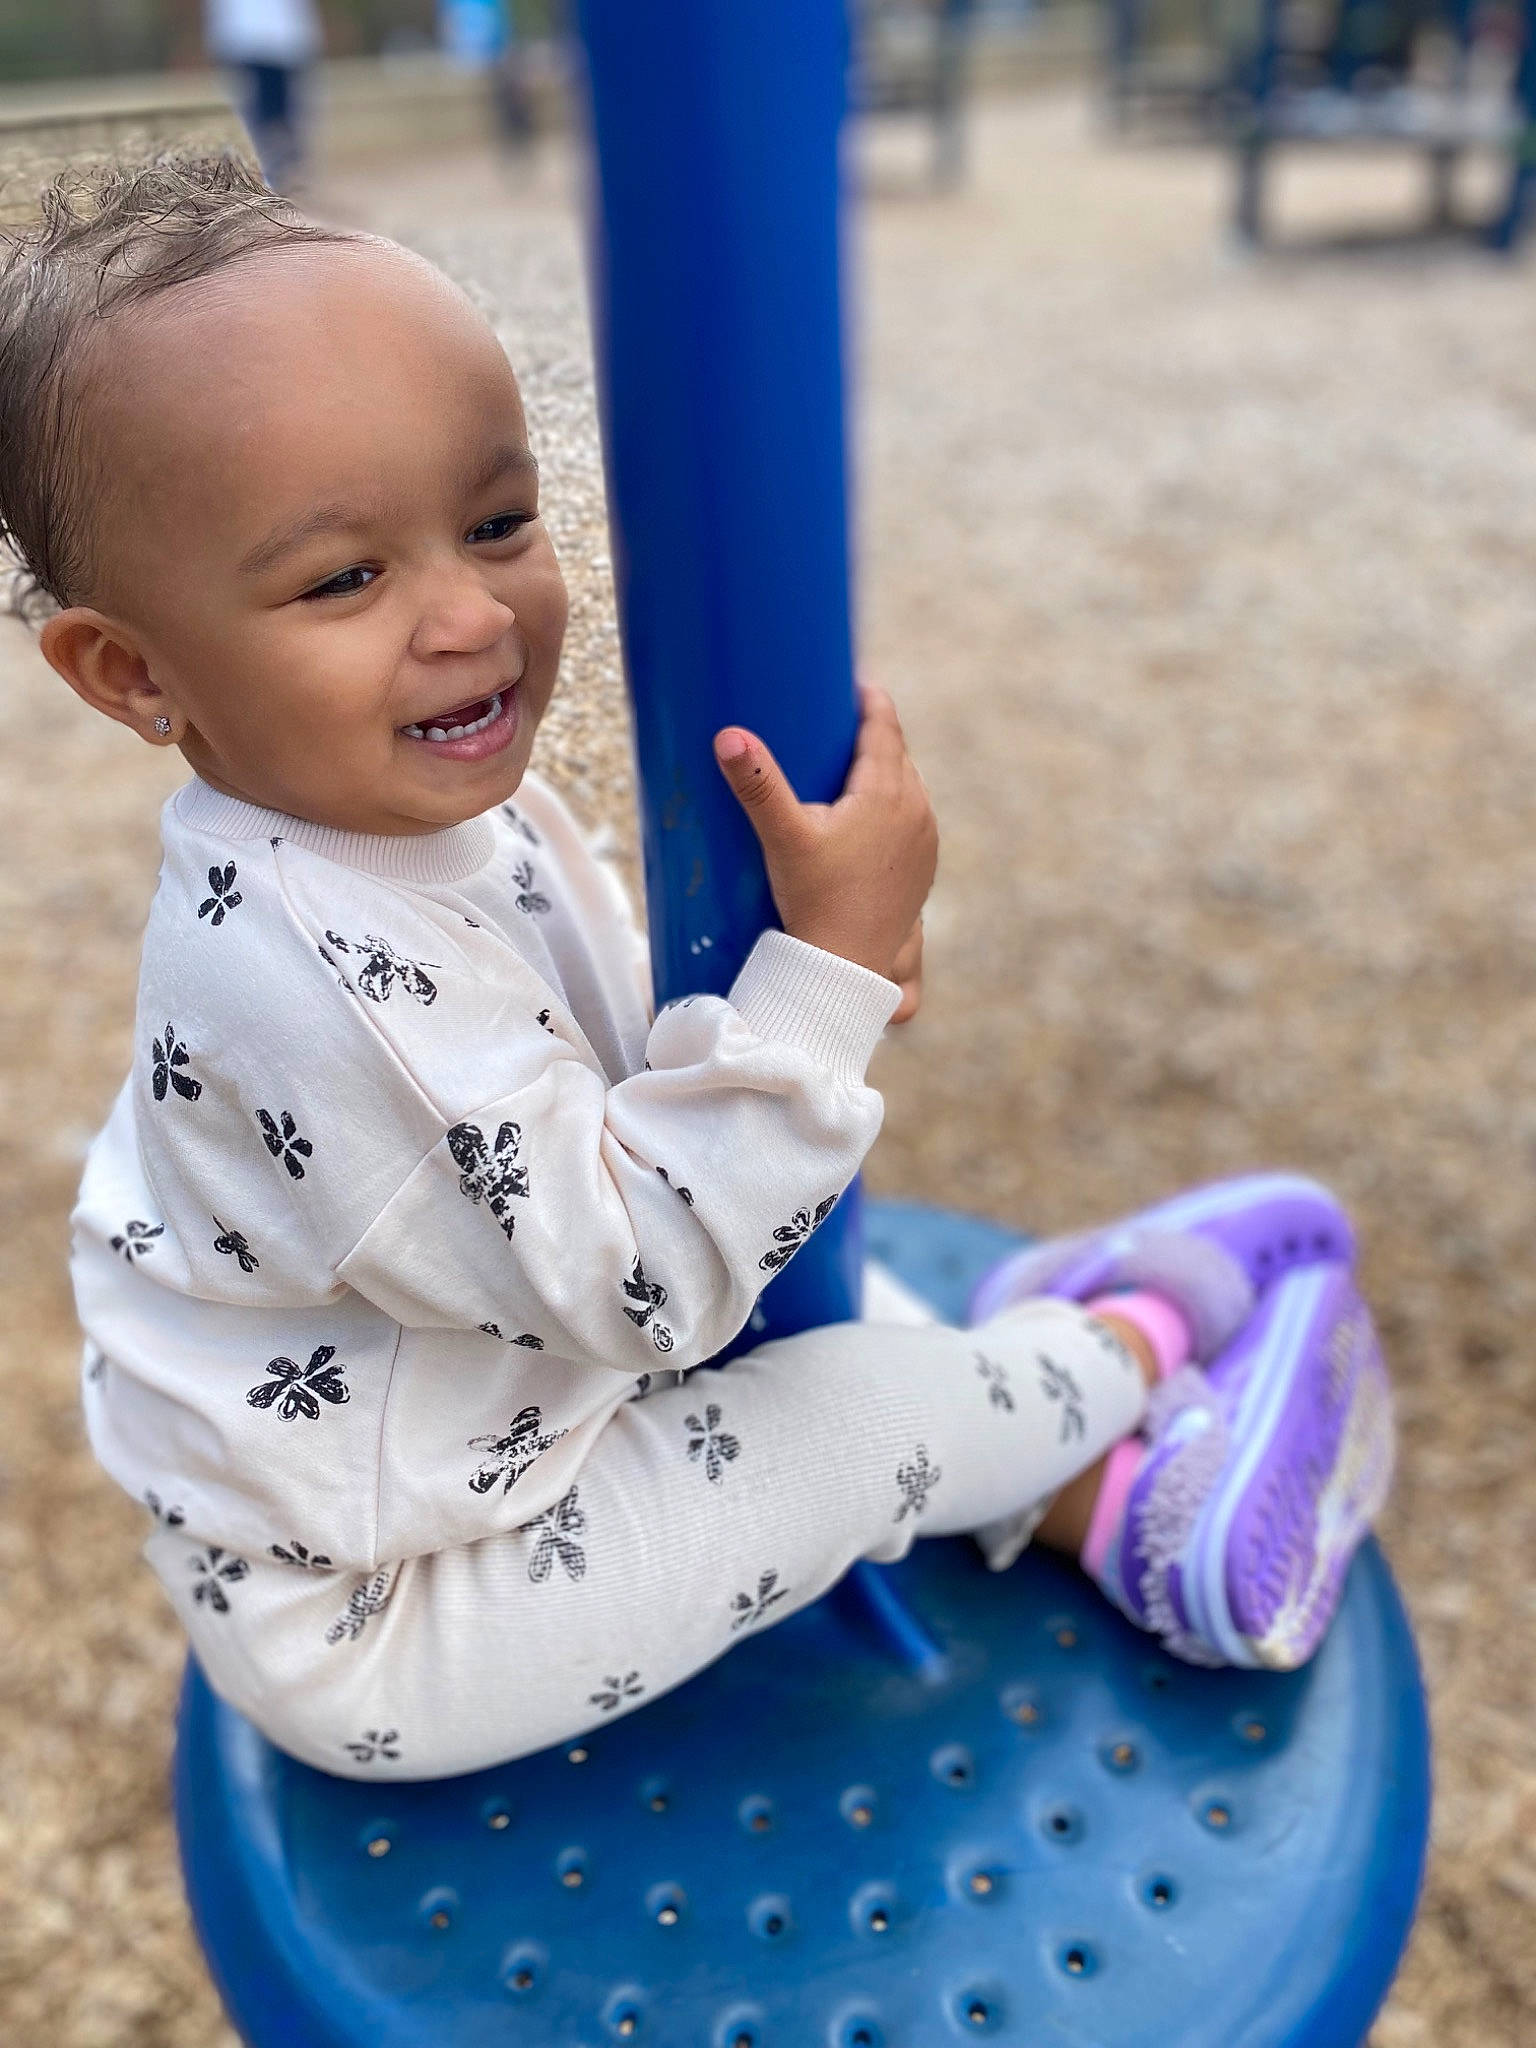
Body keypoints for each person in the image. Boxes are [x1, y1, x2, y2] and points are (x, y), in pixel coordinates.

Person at [0, 156, 1392, 1781]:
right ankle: (1145, 1376)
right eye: (346, 577)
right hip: (397, 1598)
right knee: (847, 1415)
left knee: (813, 1294)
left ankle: (1056, 1466)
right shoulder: (315, 983)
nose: (471, 615)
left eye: (497, 521)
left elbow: (601, 1084)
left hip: (491, 1405)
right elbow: (647, 1283)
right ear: (133, 672)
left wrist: (809, 989)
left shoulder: (356, 805)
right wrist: (832, 970)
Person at [204, 0, 322, 191]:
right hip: (249, 40)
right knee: (260, 117)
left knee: (282, 116)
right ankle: (268, 175)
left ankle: (286, 173)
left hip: (282, 39)